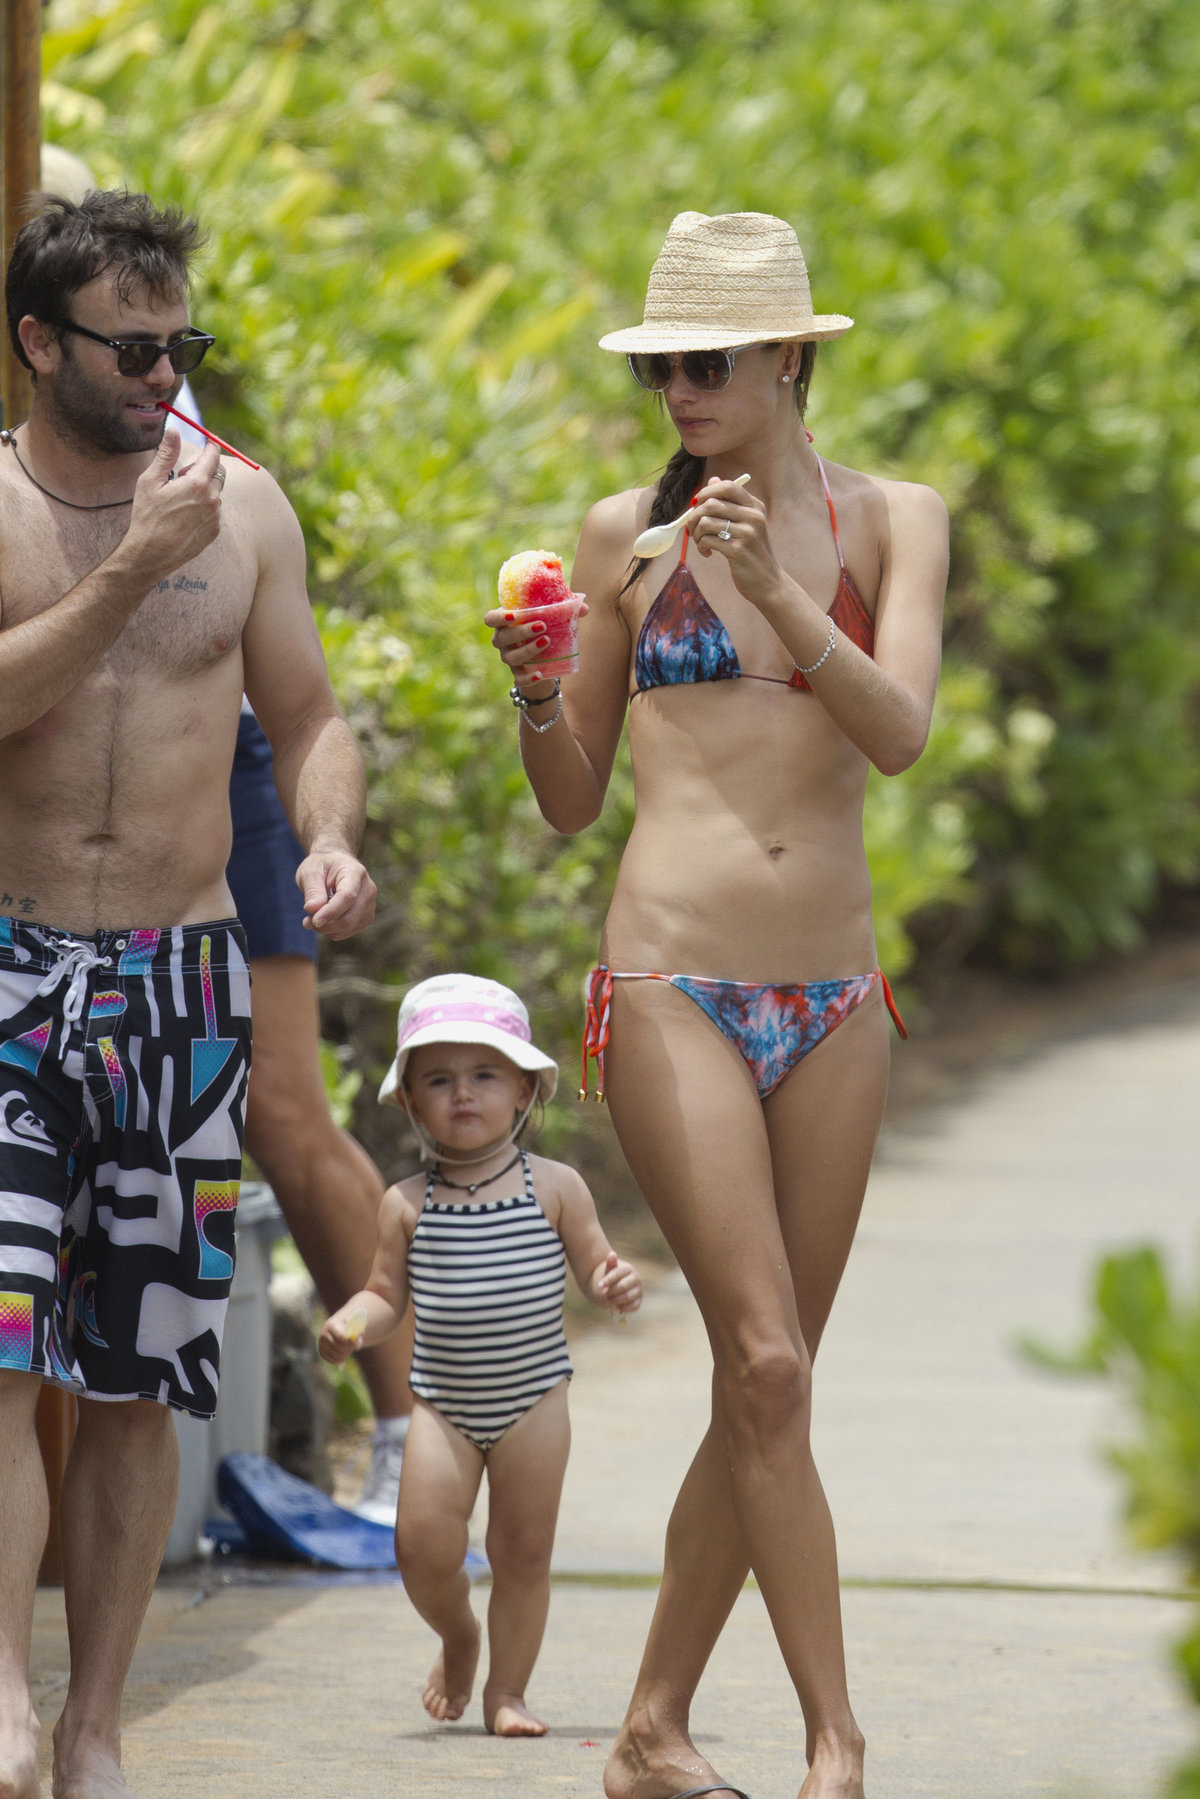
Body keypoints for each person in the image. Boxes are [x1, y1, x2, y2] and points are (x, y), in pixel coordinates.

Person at [485, 211, 949, 1799]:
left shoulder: (896, 520)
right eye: (661, 362)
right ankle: (836, 1740)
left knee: (773, 1378)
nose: (679, 386)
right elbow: (570, 799)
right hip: (671, 971)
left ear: (788, 359)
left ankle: (648, 1729)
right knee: (762, 1363)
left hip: (835, 995)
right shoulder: (627, 528)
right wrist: (540, 681)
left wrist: (781, 590)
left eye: (709, 360)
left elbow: (900, 733)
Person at [0, 190, 376, 1799]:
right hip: (11, 964)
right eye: (133, 346)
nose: (167, 374)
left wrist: (334, 829)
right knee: (3, 1342)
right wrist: (131, 565)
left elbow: (309, 714)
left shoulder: (252, 511)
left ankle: (97, 1722)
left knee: (133, 1374)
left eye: (183, 343)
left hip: (181, 980)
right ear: (38, 342)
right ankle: (5, 1693)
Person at [37, 148, 415, 1521]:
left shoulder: (158, 393)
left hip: (211, 771)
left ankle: (408, 1424)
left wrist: (331, 836)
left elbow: (305, 704)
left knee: (286, 1107)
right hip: (40, 843)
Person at [319, 973, 643, 1737]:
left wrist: (614, 1282)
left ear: (526, 1087)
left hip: (534, 1398)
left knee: (522, 1549)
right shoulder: (406, 1200)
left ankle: (507, 1690)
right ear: (410, 1100)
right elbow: (384, 1293)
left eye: (485, 1074)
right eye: (439, 1078)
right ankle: (459, 1634)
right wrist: (350, 1322)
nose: (463, 1093)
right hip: (442, 1403)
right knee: (422, 1546)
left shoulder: (556, 1187)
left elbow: (595, 1266)